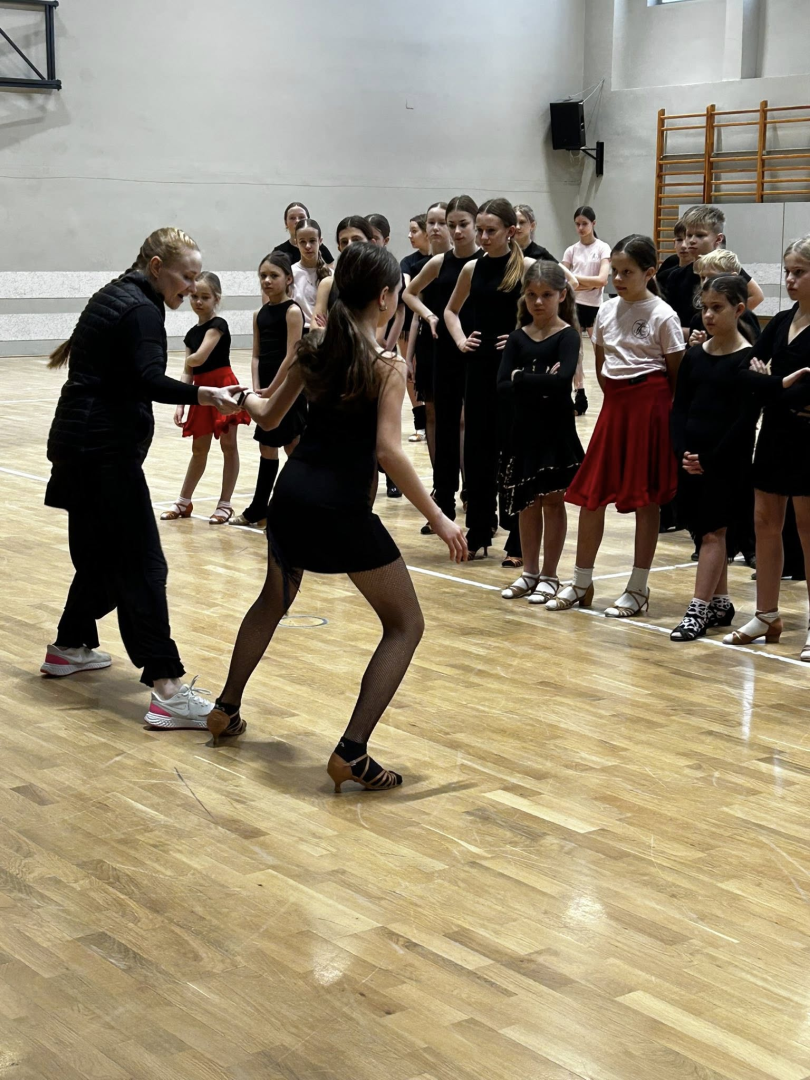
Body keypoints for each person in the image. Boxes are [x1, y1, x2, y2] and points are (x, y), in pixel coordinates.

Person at [206, 244, 467, 789]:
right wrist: (441, 517)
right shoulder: (386, 365)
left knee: (272, 601)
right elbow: (389, 452)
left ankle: (225, 708)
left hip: (291, 495)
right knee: (406, 625)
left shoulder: (314, 348)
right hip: (342, 508)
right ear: (386, 297)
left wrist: (239, 397)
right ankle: (351, 752)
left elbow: (267, 414)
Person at [41, 228, 244, 729]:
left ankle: (69, 645)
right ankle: (167, 688)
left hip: (75, 443)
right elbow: (148, 379)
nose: (191, 288)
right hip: (103, 452)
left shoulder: (115, 293)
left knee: (99, 560)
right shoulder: (142, 310)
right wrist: (204, 396)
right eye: (185, 277)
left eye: (197, 279)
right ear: (156, 267)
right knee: (143, 566)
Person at [548, 234, 685, 617]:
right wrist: (616, 399)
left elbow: (676, 375)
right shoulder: (606, 311)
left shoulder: (663, 315)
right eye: (615, 272)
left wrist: (660, 414)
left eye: (628, 272)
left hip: (651, 407)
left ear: (649, 273)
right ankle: (581, 582)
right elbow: (601, 364)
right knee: (592, 495)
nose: (619, 279)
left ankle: (638, 588)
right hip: (616, 406)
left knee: (645, 498)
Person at [724, 236, 810, 660]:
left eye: (799, 272)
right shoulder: (781, 321)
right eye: (788, 271)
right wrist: (779, 386)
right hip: (775, 434)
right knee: (765, 523)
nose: (789, 280)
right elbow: (744, 372)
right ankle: (766, 615)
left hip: (809, 440)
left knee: (809, 530)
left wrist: (769, 384)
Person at [669, 275, 758, 641]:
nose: (707, 315)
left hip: (726, 461)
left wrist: (711, 458)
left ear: (738, 310)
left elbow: (745, 420)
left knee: (713, 532)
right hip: (692, 458)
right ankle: (720, 602)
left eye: (717, 308)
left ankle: (697, 609)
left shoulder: (748, 360)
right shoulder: (694, 356)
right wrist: (682, 452)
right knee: (704, 531)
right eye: (704, 308)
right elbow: (680, 408)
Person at [445, 198, 529, 563]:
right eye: (479, 230)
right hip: (478, 368)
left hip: (513, 372)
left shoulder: (528, 267)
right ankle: (479, 530)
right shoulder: (471, 268)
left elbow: (550, 315)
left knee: (513, 449)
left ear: (511, 231)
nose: (482, 237)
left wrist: (521, 337)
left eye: (490, 231)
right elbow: (450, 310)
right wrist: (461, 339)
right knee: (478, 451)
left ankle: (519, 539)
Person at [497, 261, 583, 603]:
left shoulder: (568, 336)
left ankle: (549, 574)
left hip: (556, 429)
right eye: (532, 294)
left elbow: (562, 383)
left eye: (546, 295)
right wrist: (538, 380)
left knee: (552, 501)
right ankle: (529, 572)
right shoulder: (518, 338)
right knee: (527, 502)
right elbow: (502, 386)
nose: (538, 302)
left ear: (561, 295)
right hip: (523, 428)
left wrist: (521, 378)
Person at [403, 195, 481, 523]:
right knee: (445, 428)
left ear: (476, 224)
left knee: (476, 429)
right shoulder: (439, 263)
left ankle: (479, 505)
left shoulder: (486, 261)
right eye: (452, 225)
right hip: (445, 350)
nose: (457, 231)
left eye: (463, 225)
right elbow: (408, 293)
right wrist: (429, 315)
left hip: (479, 352)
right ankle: (444, 504)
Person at [161, 272, 251, 525]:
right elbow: (188, 372)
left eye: (205, 297)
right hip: (201, 394)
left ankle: (225, 504)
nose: (198, 302)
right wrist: (181, 403)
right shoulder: (191, 333)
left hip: (224, 387)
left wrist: (179, 358)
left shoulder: (218, 325)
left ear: (216, 299)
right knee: (199, 449)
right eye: (194, 297)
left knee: (229, 446)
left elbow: (198, 358)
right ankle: (183, 501)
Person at [231, 253, 305, 529]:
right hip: (265, 389)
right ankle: (259, 509)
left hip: (288, 388)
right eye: (263, 276)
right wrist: (256, 388)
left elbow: (292, 355)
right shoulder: (259, 314)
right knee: (267, 447)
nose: (267, 280)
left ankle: (300, 507)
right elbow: (256, 355)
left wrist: (273, 388)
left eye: (274, 275)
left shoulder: (292, 311)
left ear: (288, 279)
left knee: (293, 447)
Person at [403, 202, 451, 484]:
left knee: (460, 418)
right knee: (431, 413)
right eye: (431, 223)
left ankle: (466, 484)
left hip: (457, 345)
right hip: (428, 346)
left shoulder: (467, 264)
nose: (435, 228)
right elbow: (414, 317)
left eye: (441, 222)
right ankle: (439, 482)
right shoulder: (422, 267)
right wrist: (408, 357)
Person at [662, 204, 764, 332]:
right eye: (689, 235)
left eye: (700, 235)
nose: (692, 240)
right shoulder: (676, 276)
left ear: (718, 239)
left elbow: (757, 295)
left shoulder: (725, 270)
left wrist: (729, 317)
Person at [562, 205, 612, 416]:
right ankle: (579, 395)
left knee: (601, 351)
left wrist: (576, 280)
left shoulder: (602, 248)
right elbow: (562, 279)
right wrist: (584, 284)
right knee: (576, 353)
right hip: (573, 305)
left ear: (593, 223)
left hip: (594, 308)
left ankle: (610, 394)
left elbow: (602, 280)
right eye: (577, 224)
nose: (581, 228)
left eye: (584, 223)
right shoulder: (571, 250)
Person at [312, 216, 375, 326]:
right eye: (344, 242)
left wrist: (330, 330)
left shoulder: (380, 280)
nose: (350, 245)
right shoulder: (328, 283)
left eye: (356, 239)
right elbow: (315, 326)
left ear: (371, 243)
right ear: (339, 248)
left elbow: (380, 328)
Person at [400, 213, 430, 442]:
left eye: (414, 231)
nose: (409, 236)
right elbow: (409, 288)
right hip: (409, 323)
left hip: (433, 325)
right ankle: (420, 423)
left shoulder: (441, 258)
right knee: (411, 373)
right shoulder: (408, 262)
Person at [290, 218, 332, 330]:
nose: (308, 246)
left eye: (312, 241)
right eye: (302, 242)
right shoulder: (290, 274)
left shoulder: (331, 275)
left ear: (320, 241)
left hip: (325, 333)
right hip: (297, 333)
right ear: (296, 243)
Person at [274, 201, 335, 267]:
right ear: (286, 223)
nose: (297, 221)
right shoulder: (279, 252)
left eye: (301, 217)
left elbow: (331, 268)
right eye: (292, 218)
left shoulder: (320, 248)